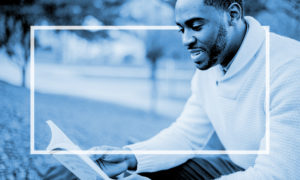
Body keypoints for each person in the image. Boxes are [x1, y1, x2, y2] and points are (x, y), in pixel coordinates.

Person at [93, 0, 300, 179]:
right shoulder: (211, 67)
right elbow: (186, 136)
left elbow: (278, 175)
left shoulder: (289, 67)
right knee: (146, 168)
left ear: (232, 15)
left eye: (197, 26)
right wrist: (130, 157)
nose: (186, 40)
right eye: (182, 29)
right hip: (242, 167)